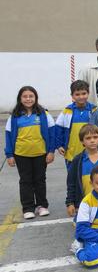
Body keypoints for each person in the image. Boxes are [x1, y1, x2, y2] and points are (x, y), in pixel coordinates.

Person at [4, 86, 56, 219]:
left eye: (31, 96)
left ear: (35, 98)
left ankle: (42, 206)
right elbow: (8, 136)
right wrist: (9, 155)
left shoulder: (44, 114)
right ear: (20, 99)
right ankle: (28, 208)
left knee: (40, 180)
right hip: (21, 154)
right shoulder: (14, 116)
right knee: (25, 181)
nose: (28, 99)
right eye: (25, 96)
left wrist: (51, 151)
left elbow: (52, 133)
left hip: (41, 154)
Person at [65, 125, 98, 216]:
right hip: (83, 204)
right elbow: (71, 183)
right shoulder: (77, 160)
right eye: (88, 138)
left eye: (95, 137)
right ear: (82, 141)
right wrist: (70, 203)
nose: (92, 140)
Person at [55, 80, 96, 167]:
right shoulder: (67, 111)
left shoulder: (94, 110)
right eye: (77, 94)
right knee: (73, 175)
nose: (81, 97)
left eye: (84, 93)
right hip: (71, 154)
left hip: (91, 153)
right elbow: (58, 129)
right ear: (72, 95)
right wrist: (59, 145)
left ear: (88, 93)